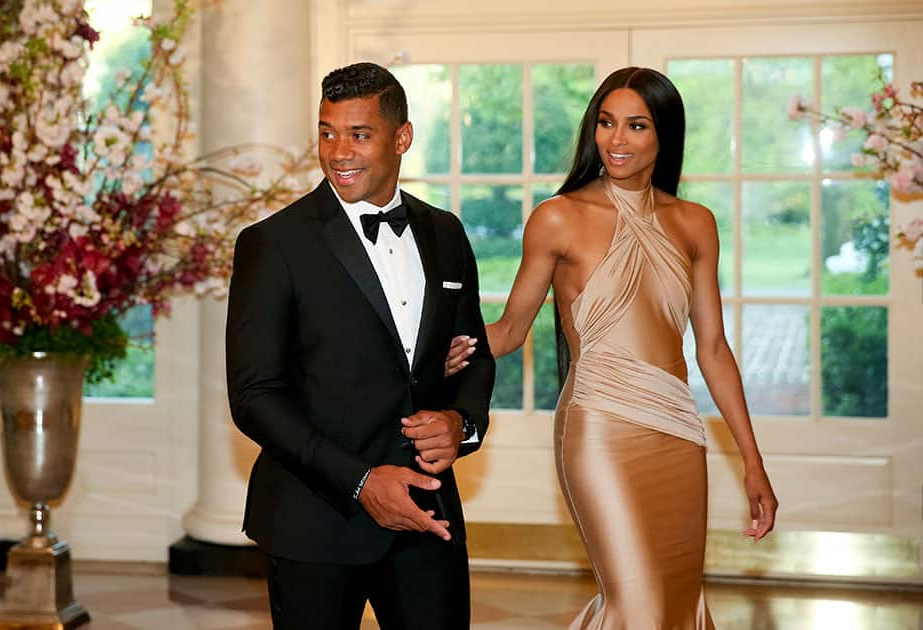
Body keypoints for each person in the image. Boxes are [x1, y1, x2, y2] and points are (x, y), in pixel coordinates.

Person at [445, 66, 778, 629]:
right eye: (605, 123)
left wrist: (753, 461)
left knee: (676, 605)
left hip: (676, 429)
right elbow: (510, 331)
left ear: (663, 135)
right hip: (599, 424)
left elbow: (714, 349)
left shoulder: (696, 223)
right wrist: (449, 345)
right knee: (638, 607)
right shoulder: (558, 217)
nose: (616, 139)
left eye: (636, 125)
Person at [225, 62, 495, 630]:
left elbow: (473, 353)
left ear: (402, 137)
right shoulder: (272, 244)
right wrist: (361, 480)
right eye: (327, 132)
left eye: (358, 134)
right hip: (314, 519)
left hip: (428, 513)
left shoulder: (446, 233)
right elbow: (255, 395)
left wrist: (460, 420)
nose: (338, 151)